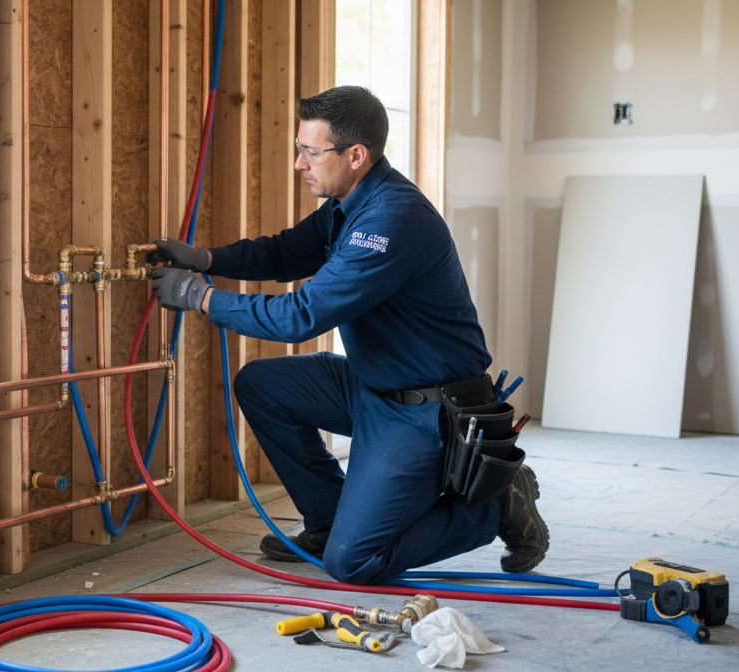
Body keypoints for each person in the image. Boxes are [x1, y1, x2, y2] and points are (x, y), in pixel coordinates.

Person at [147, 85, 547, 585]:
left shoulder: (389, 220)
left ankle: (497, 505)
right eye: (299, 148)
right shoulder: (347, 204)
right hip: (372, 385)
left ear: (356, 155)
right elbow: (284, 253)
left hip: (426, 410)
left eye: (310, 152)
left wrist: (201, 297)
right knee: (261, 385)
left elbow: (301, 316)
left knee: (352, 563)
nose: (299, 163)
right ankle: (331, 519)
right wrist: (204, 259)